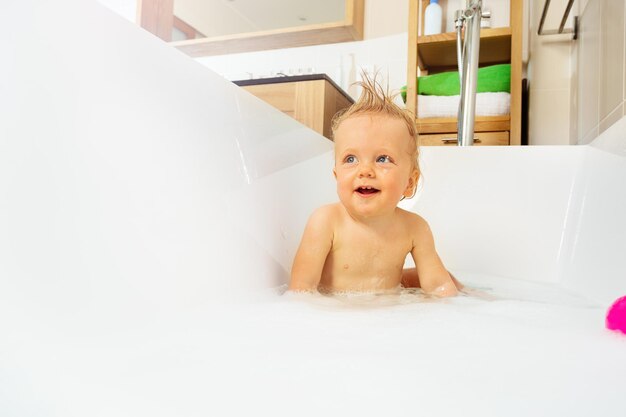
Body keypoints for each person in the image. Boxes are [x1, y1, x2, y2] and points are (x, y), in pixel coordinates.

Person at [288, 74, 462, 297]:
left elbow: (438, 286)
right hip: (337, 317)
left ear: (409, 183)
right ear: (336, 175)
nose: (365, 170)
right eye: (350, 159)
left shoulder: (415, 228)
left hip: (387, 314)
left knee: (451, 282)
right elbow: (300, 290)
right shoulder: (326, 221)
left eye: (382, 159)